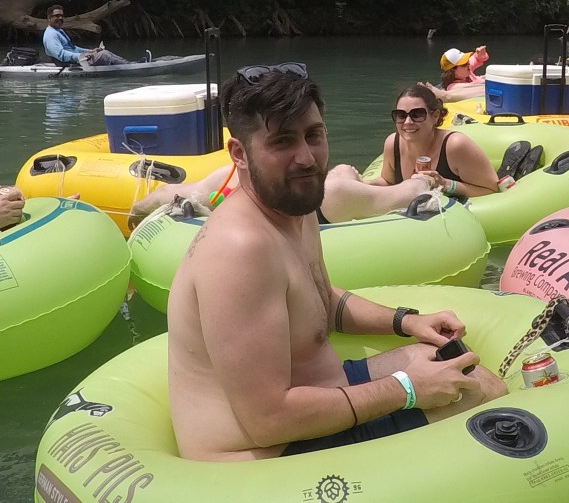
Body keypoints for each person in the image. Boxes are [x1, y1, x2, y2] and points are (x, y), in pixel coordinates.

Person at [167, 64, 506, 461]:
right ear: (240, 154)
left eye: (314, 135)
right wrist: (408, 389)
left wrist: (407, 322)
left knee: (452, 365)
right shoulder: (240, 249)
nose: (306, 158)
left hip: (320, 400)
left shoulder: (297, 209)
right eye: (282, 142)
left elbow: (320, 300)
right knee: (483, 393)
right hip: (266, 454)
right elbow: (268, 420)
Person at [129, 161, 436, 229]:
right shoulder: (232, 175)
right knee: (343, 175)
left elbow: (410, 190)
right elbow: (412, 190)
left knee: (342, 176)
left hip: (321, 200)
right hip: (324, 193)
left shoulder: (335, 193)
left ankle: (350, 172)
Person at [369, 84, 499, 197]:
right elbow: (388, 182)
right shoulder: (393, 144)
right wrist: (360, 184)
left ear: (435, 116)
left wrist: (446, 184)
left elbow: (492, 189)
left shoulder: (455, 146)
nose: (408, 122)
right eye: (401, 115)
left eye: (417, 114)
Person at [42, 5, 131, 66]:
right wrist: (81, 56)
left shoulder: (59, 31)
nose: (60, 18)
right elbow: (61, 54)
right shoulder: (51, 34)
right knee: (104, 55)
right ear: (49, 18)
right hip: (70, 62)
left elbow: (73, 48)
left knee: (102, 52)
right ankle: (130, 67)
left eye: (62, 16)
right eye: (57, 16)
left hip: (77, 59)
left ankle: (129, 64)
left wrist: (91, 51)